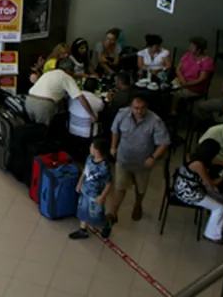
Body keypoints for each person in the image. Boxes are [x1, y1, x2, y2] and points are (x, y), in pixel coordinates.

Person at [107, 95, 171, 223]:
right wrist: (113, 147)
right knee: (120, 186)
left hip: (143, 162)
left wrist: (154, 157)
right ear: (131, 106)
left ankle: (137, 205)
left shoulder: (155, 121)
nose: (139, 111)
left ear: (147, 107)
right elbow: (115, 130)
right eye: (136, 108)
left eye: (142, 108)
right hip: (123, 158)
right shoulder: (122, 114)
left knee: (140, 188)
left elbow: (164, 142)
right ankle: (112, 213)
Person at [172, 139, 223, 244]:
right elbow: (209, 183)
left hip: (184, 187)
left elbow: (209, 163)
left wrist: (221, 163)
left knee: (221, 199)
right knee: (220, 207)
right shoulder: (199, 165)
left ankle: (221, 227)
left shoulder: (191, 156)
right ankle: (212, 234)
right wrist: (221, 178)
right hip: (189, 193)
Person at [70, 137, 113, 240]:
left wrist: (103, 196)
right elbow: (85, 171)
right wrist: (80, 183)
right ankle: (82, 230)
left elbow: (109, 183)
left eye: (92, 146)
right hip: (85, 191)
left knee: (96, 215)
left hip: (96, 195)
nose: (90, 148)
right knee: (83, 210)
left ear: (98, 150)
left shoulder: (104, 167)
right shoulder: (89, 158)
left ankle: (106, 223)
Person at [27, 63, 97, 126]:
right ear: (68, 70)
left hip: (29, 101)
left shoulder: (49, 73)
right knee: (42, 132)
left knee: (33, 130)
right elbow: (81, 98)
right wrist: (92, 115)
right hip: (43, 105)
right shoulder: (66, 77)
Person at [67, 77, 105, 162]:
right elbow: (101, 110)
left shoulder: (73, 96)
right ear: (96, 88)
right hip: (87, 133)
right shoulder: (97, 100)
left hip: (72, 128)